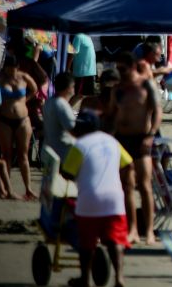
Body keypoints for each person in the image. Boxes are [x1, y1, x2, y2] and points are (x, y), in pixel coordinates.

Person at [60, 110, 132, 287]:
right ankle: (119, 278)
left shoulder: (80, 145)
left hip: (89, 199)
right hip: (114, 198)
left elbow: (67, 173)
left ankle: (85, 279)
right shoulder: (113, 142)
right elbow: (128, 164)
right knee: (115, 240)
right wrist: (122, 181)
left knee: (87, 242)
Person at [109, 52, 161, 244]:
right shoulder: (118, 89)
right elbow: (111, 115)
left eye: (122, 69)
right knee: (126, 186)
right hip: (122, 139)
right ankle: (131, 229)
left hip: (141, 139)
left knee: (145, 185)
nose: (119, 73)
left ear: (132, 67)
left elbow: (157, 111)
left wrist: (151, 134)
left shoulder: (146, 85)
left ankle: (148, 231)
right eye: (117, 69)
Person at [0, 53, 39, 200]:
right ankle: (8, 190)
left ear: (17, 67)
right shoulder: (0, 79)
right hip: (5, 120)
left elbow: (35, 89)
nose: (10, 71)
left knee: (23, 155)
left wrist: (25, 100)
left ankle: (29, 189)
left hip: (22, 120)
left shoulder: (24, 77)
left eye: (12, 68)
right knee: (6, 155)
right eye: (7, 68)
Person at [43, 72, 76, 162]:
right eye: (73, 86)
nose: (74, 89)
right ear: (68, 88)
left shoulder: (49, 101)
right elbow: (72, 129)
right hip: (63, 153)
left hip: (50, 151)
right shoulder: (61, 104)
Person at [70, 33, 97, 106]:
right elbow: (72, 54)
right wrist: (67, 67)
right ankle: (64, 110)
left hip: (90, 72)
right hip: (82, 73)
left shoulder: (88, 37)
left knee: (89, 96)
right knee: (79, 95)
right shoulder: (78, 36)